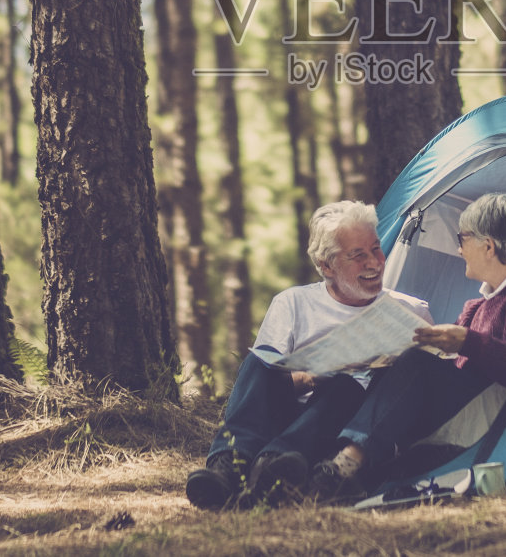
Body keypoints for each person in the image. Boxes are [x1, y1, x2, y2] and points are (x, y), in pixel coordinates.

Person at [185, 200, 433, 510]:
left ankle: (271, 469)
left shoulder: (411, 311)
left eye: (376, 249)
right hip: (286, 419)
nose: (375, 263)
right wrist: (311, 376)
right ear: (326, 265)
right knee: (258, 363)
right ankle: (229, 466)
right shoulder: (293, 303)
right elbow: (263, 388)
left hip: (341, 436)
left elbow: (418, 391)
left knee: (346, 386)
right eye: (358, 255)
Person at [310, 192, 506, 499]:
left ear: (488, 246)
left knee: (417, 364)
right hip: (460, 410)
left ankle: (346, 466)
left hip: (486, 418)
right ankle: (330, 463)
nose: (458, 248)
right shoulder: (477, 306)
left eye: (462, 238)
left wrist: (469, 342)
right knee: (385, 369)